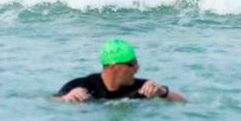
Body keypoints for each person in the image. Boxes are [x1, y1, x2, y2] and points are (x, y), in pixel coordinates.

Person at [56, 38, 186, 102]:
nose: (137, 68)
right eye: (132, 64)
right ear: (114, 67)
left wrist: (162, 92)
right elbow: (46, 102)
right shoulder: (82, 86)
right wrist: (66, 99)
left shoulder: (142, 88)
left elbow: (185, 103)